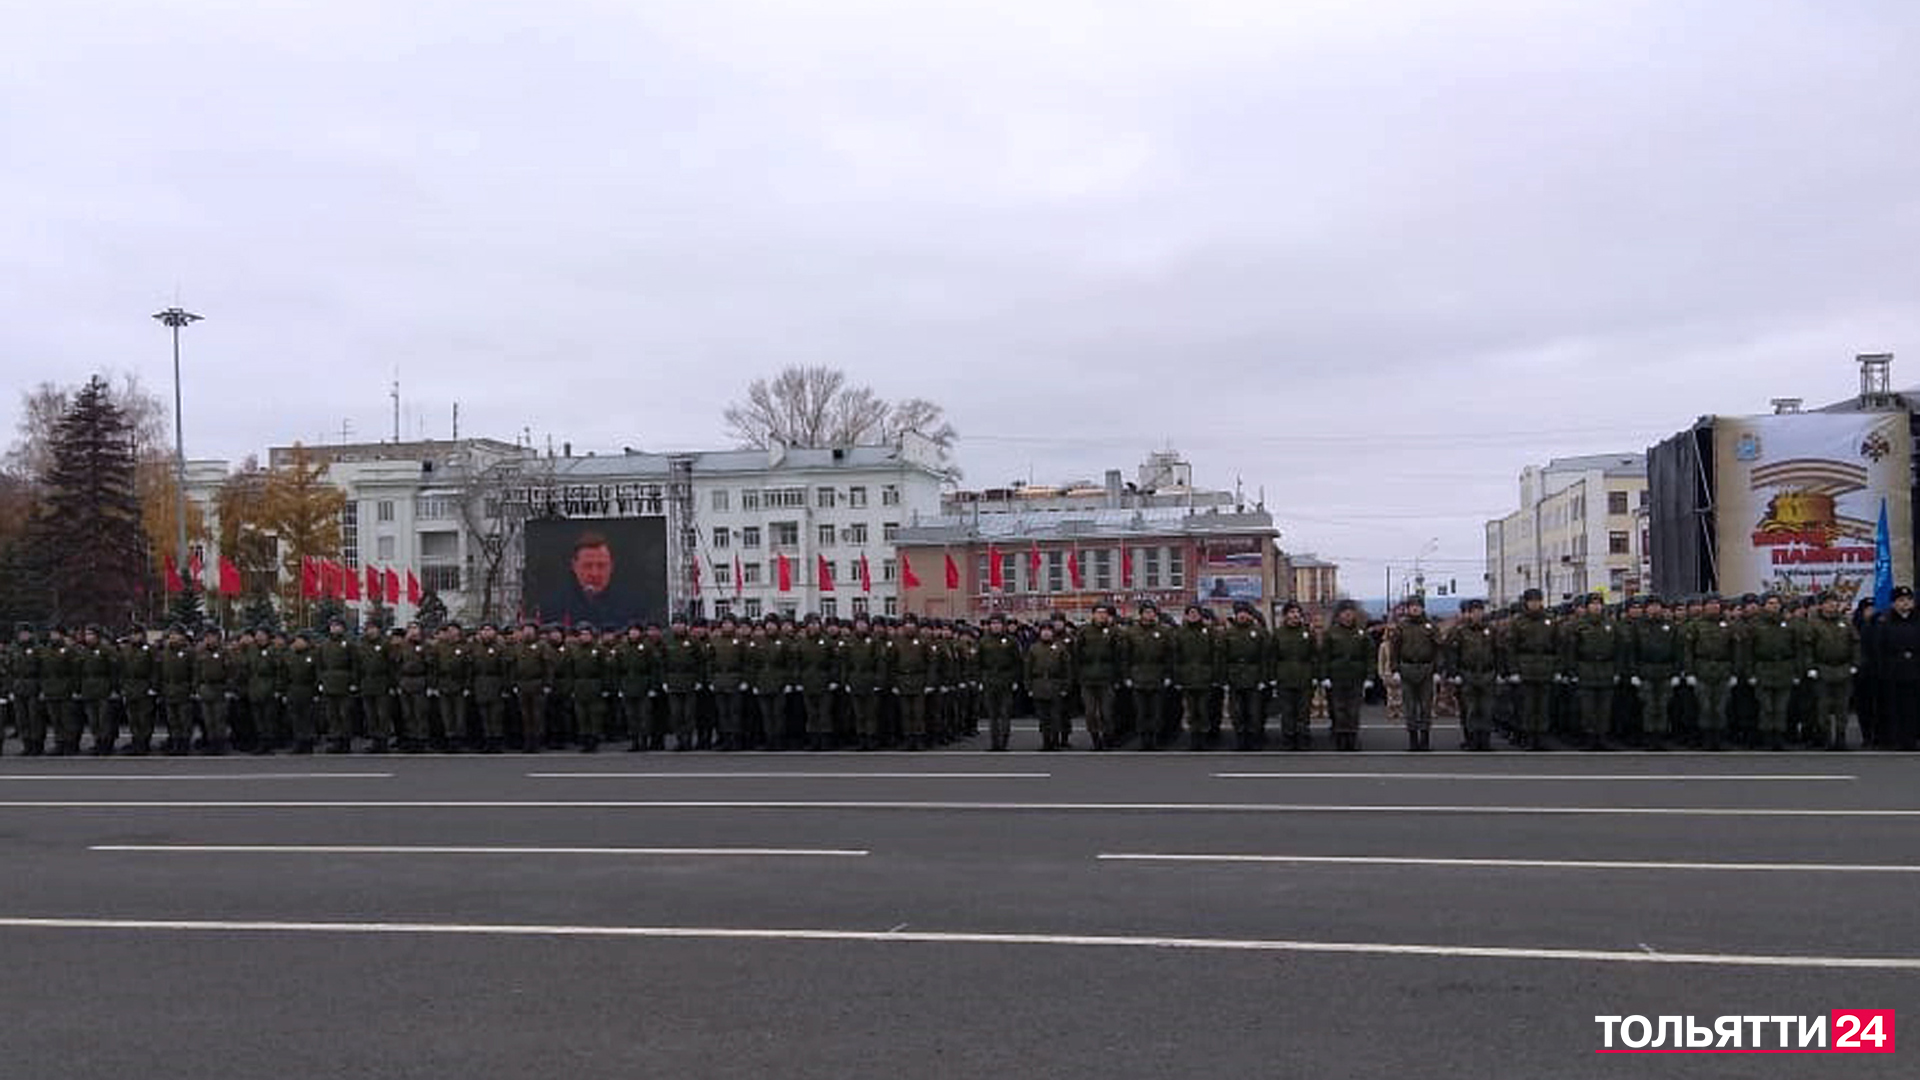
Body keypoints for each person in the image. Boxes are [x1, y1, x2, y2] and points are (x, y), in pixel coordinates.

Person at [538, 531, 645, 628]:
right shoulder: (553, 606)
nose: (595, 573)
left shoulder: (632, 606)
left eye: (601, 565)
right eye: (587, 566)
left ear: (611, 566)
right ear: (574, 566)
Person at [1442, 599, 1499, 751]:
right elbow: (1452, 653)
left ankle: (1485, 740)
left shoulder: (1491, 630)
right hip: (1467, 673)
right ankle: (1472, 740)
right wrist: (1453, 673)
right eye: (1474, 611)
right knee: (1470, 709)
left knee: (1487, 709)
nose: (1477, 614)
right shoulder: (1460, 631)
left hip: (1487, 673)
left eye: (1480, 611)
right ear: (1469, 613)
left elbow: (1499, 652)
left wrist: (1501, 672)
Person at [1807, 593, 1861, 750]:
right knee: (1823, 706)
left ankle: (1841, 738)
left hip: (1843, 668)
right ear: (1821, 605)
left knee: (1842, 707)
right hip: (1823, 668)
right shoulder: (1814, 624)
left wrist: (1855, 664)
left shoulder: (1845, 622)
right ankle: (1825, 738)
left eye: (1834, 602)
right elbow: (1807, 647)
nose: (1832, 605)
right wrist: (1810, 667)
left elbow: (1855, 643)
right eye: (1828, 602)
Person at [1320, 601, 1375, 752]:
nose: (1348, 615)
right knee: (1338, 709)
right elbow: (1324, 657)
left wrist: (1370, 677)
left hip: (1356, 676)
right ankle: (1340, 738)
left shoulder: (1362, 634)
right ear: (1339, 615)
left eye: (1351, 612)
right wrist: (1324, 676)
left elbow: (1369, 657)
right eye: (1345, 612)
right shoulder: (1331, 633)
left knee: (1353, 710)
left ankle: (1352, 738)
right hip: (1336, 676)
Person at [1390, 597, 1442, 751]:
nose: (1415, 609)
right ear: (1407, 609)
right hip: (1407, 669)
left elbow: (1438, 649)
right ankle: (1413, 740)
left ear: (1423, 608)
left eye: (1418, 606)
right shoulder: (1401, 626)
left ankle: (1425, 740)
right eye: (1412, 606)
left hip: (1426, 669)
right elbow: (1395, 649)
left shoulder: (1431, 626)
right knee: (1410, 706)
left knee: (1426, 706)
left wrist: (1437, 670)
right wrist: (1395, 670)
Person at [1873, 585, 1920, 750]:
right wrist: (1883, 670)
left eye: (1908, 600)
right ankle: (1895, 740)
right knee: (1894, 708)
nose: (1905, 603)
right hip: (1894, 672)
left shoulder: (1917, 619)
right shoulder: (1885, 621)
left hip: (1915, 671)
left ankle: (1912, 739)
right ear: (1894, 603)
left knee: (1913, 708)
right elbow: (1879, 649)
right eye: (1901, 600)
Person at [1025, 623, 1073, 751]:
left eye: (1049, 630)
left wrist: (1066, 687)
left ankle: (1055, 741)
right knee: (1043, 716)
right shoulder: (1034, 648)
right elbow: (1028, 669)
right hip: (1039, 684)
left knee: (1055, 716)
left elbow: (1067, 670)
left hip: (1055, 684)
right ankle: (1046, 741)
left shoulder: (1060, 647)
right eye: (1043, 630)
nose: (1046, 633)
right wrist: (1029, 687)